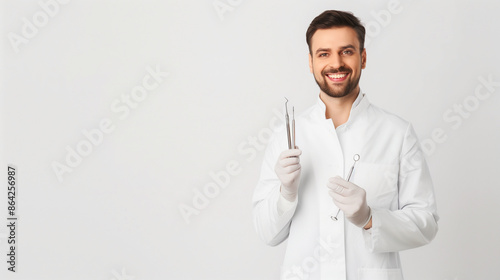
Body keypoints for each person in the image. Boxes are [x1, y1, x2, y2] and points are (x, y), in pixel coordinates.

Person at [252, 10, 439, 280]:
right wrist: (286, 194)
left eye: (347, 51)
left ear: (363, 58)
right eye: (324, 53)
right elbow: (267, 233)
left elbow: (426, 224)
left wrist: (369, 218)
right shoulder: (285, 137)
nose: (336, 63)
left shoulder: (397, 133)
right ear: (311, 62)